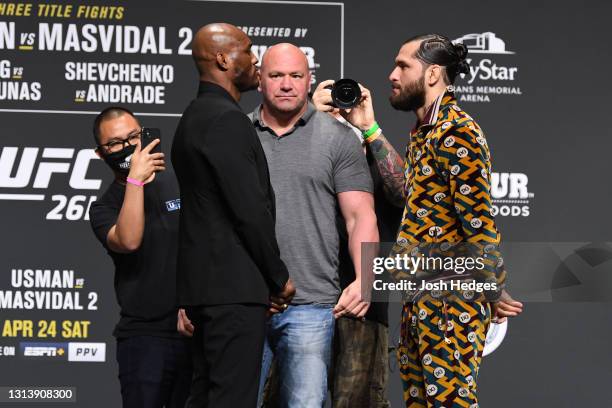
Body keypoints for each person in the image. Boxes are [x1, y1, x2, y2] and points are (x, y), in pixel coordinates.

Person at [329, 34, 524, 407]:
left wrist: (494, 289)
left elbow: (480, 223)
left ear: (433, 74)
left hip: (452, 302)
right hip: (420, 300)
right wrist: (369, 129)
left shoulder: (457, 132)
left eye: (403, 65)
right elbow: (408, 194)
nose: (392, 74)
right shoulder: (425, 133)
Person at [170, 23, 295, 408]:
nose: (254, 58)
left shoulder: (194, 116)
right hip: (233, 294)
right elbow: (248, 210)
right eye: (247, 49)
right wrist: (278, 278)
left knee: (206, 396)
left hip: (206, 291)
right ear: (224, 58)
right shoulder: (226, 120)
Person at [250, 43, 379, 407]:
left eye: (296, 76)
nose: (286, 84)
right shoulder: (238, 134)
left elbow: (361, 216)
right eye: (276, 75)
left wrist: (366, 279)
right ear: (259, 80)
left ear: (310, 81)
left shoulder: (337, 138)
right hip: (246, 301)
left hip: (312, 304)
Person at [89, 106, 192, 408]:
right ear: (100, 153)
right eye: (115, 143)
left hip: (193, 329)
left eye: (133, 136)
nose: (127, 147)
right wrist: (135, 180)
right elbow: (129, 240)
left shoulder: (180, 183)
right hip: (145, 337)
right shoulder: (104, 208)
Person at [311, 80, 402, 408]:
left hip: (365, 309)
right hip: (304, 304)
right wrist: (309, 119)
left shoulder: (376, 161)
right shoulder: (304, 153)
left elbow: (405, 192)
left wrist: (368, 125)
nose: (339, 111)